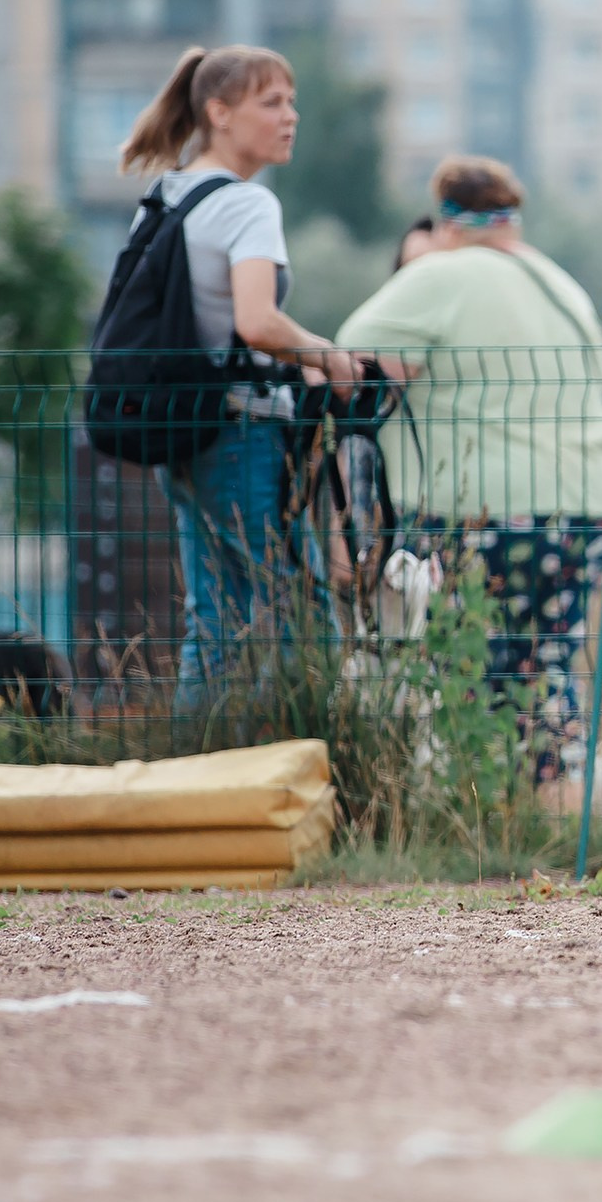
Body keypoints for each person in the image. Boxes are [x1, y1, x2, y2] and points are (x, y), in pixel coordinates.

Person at [337, 156, 602, 780]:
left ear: (445, 221)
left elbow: (347, 355)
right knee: (549, 678)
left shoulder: (444, 272)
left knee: (468, 675)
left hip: (482, 509)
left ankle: (479, 833)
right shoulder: (558, 281)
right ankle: (556, 829)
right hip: (584, 508)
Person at [116, 43, 360, 709]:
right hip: (243, 433)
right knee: (301, 611)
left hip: (184, 432)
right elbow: (256, 322)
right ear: (219, 112)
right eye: (272, 102)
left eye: (292, 101)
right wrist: (326, 354)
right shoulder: (249, 205)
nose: (291, 117)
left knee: (215, 620)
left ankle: (195, 778)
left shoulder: (164, 195)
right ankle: (308, 756)